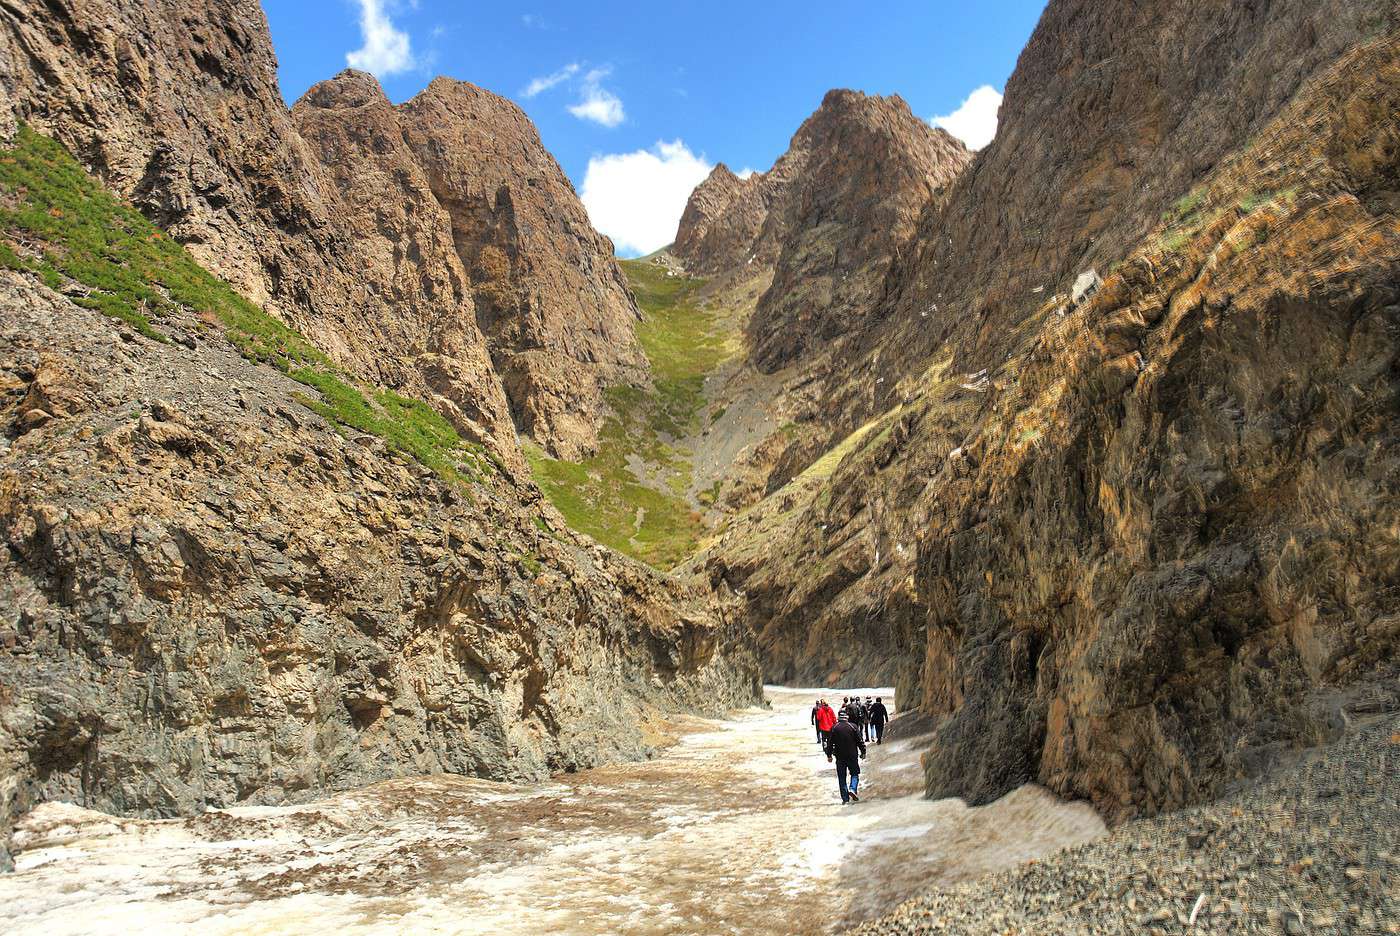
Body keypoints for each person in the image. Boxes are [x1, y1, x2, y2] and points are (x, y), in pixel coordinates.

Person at [823, 709, 867, 803]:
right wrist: (863, 752)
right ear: (847, 716)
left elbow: (829, 743)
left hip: (840, 757)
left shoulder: (834, 727)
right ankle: (852, 788)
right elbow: (860, 741)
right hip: (852, 755)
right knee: (855, 774)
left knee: (842, 778)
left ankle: (845, 799)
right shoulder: (853, 726)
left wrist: (829, 755)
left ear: (839, 717)